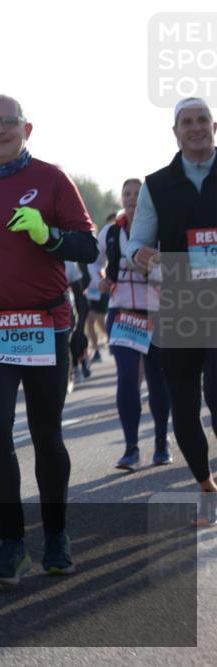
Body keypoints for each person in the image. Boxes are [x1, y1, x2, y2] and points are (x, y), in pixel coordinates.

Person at [0, 95, 99, 585]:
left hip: (46, 323)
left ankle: (55, 536)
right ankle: (11, 544)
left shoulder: (52, 179)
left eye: (9, 122)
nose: (0, 129)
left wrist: (48, 235)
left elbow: (87, 245)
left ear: (27, 128)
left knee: (47, 432)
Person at [127, 97, 217, 526]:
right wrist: (140, 257)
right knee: (183, 406)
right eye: (187, 122)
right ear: (176, 131)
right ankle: (205, 483)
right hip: (180, 303)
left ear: (214, 126)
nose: (196, 128)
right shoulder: (156, 185)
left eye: (203, 120)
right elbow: (136, 243)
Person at [89, 178, 171, 470]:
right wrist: (99, 279)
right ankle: (131, 448)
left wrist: (156, 272)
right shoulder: (111, 232)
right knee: (126, 378)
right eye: (127, 193)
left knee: (158, 380)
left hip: (156, 314)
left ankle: (161, 443)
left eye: (138, 194)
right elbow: (92, 261)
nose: (132, 198)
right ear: (121, 198)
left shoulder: (161, 229)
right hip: (121, 312)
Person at [85, 214, 113, 362]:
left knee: (100, 320)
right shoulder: (80, 246)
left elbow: (104, 263)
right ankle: (96, 350)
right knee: (90, 320)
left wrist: (103, 280)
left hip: (100, 286)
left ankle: (113, 341)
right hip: (89, 289)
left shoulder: (98, 243)